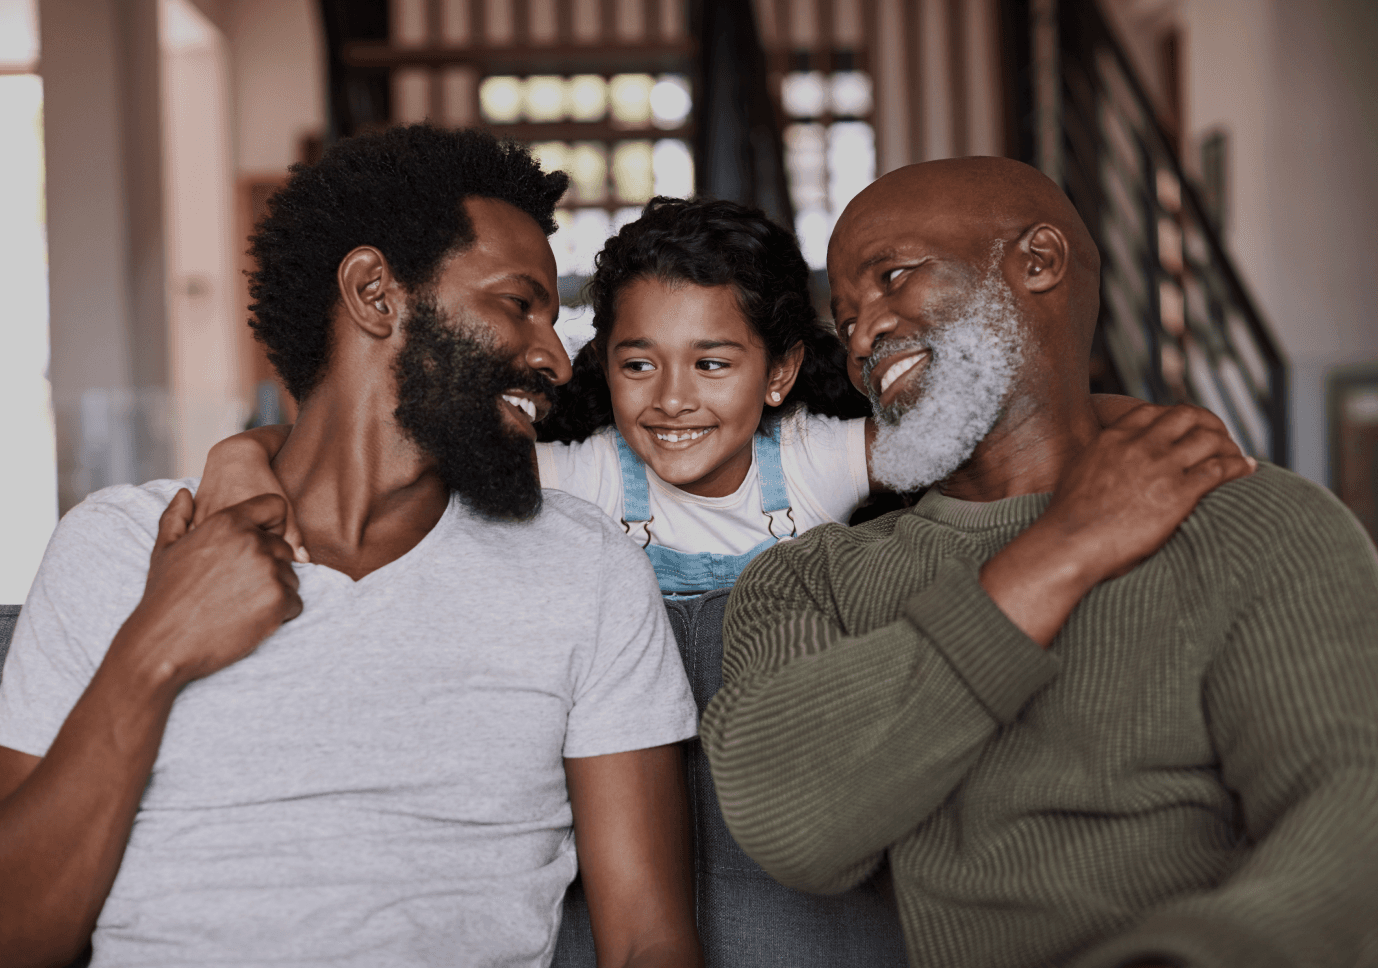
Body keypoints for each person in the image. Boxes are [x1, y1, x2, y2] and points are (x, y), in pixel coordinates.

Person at [0, 125, 701, 968]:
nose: (554, 357)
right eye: (519, 305)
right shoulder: (117, 550)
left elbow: (649, 942)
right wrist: (155, 650)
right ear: (375, 292)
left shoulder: (585, 570)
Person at [700, 157, 1378, 968]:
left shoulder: (1251, 520)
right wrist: (1067, 547)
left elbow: (1348, 805)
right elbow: (793, 825)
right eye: (845, 322)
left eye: (894, 277)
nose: (865, 337)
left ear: (1039, 261)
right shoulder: (810, 579)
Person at [197, 197, 1153, 596]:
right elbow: (409, 447)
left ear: (779, 374)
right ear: (602, 364)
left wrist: (1134, 420)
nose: (671, 399)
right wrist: (244, 456)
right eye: (638, 362)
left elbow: (970, 432)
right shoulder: (586, 478)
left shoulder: (817, 459)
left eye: (713, 363)